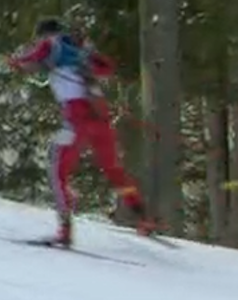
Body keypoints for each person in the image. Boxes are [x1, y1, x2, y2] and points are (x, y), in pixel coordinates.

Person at [8, 18, 153, 245]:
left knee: (58, 171)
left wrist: (15, 61)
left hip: (76, 119)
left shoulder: (51, 43)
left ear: (44, 33)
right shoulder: (80, 50)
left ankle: (64, 230)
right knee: (114, 170)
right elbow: (107, 68)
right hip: (100, 117)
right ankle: (143, 218)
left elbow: (32, 59)